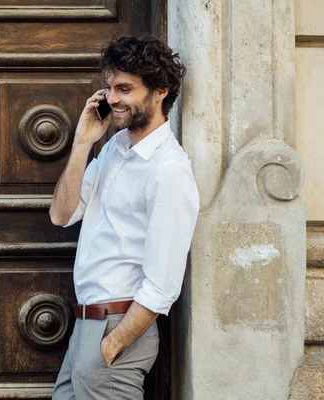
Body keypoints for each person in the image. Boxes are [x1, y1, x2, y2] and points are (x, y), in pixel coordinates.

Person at [49, 34, 200, 399]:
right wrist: (84, 142)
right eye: (109, 87)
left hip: (115, 328)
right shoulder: (115, 148)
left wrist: (112, 344)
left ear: (160, 91)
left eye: (125, 88)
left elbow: (163, 284)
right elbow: (61, 213)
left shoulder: (169, 171)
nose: (113, 98)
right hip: (87, 328)